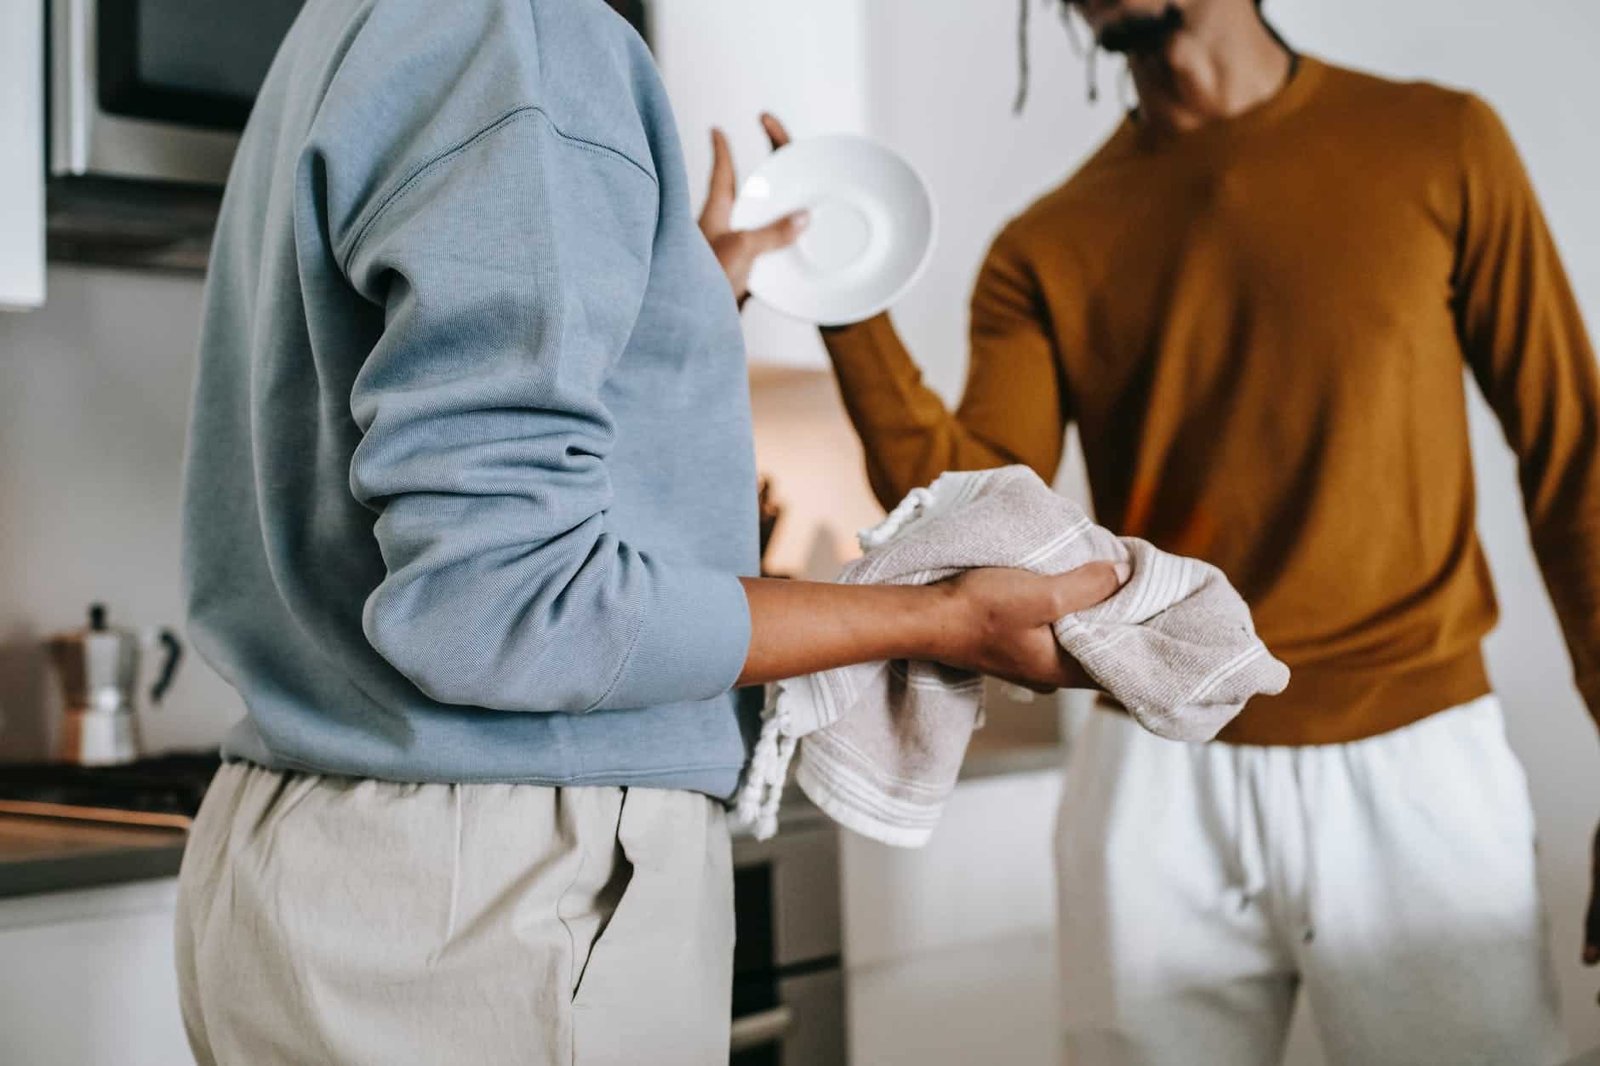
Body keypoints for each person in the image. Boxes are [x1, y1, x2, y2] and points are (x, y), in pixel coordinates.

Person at [172, 1, 1124, 1063]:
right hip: (499, 888)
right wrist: (940, 616)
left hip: (333, 857)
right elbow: (506, 604)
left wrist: (661, 309)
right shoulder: (518, 36)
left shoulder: (368, 24)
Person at [774, 0, 1600, 1062]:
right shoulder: (1046, 244)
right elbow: (970, 522)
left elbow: (1574, 461)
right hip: (1152, 772)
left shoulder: (1442, 143)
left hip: (1419, 765)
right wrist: (840, 290)